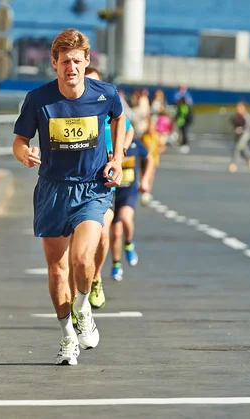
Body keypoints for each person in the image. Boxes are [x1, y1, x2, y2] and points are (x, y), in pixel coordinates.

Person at [12, 28, 126, 366]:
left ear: (87, 61)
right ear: (54, 63)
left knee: (80, 260)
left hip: (92, 187)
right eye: (64, 62)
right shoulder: (38, 99)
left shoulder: (105, 94)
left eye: (77, 61)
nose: (71, 68)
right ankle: (67, 337)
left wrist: (116, 157)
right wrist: (24, 154)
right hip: (52, 189)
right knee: (57, 270)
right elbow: (19, 140)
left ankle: (82, 305)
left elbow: (120, 117)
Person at [74, 66, 135, 310]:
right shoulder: (72, 108)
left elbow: (128, 129)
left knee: (101, 232)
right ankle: (75, 298)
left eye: (95, 84)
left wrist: (118, 154)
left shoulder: (109, 108)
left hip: (104, 184)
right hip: (75, 182)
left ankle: (96, 277)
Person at [110, 138, 155, 281]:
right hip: (111, 193)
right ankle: (116, 264)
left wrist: (145, 180)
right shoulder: (107, 142)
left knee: (125, 218)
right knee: (116, 233)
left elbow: (149, 159)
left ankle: (129, 244)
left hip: (129, 191)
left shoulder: (135, 144)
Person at [140, 116, 165, 206]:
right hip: (144, 159)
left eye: (152, 126)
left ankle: (147, 192)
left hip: (153, 160)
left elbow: (162, 146)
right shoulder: (144, 136)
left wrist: (158, 150)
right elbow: (140, 145)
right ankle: (144, 190)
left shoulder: (157, 136)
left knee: (150, 176)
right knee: (143, 175)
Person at [228, 101, 250, 173]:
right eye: (238, 107)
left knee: (238, 147)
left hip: (245, 134)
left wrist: (240, 130)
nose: (238, 109)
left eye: (240, 107)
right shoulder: (236, 115)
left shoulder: (247, 116)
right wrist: (236, 129)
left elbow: (247, 127)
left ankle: (234, 163)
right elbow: (233, 122)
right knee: (243, 148)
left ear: (244, 108)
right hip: (238, 134)